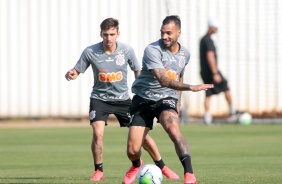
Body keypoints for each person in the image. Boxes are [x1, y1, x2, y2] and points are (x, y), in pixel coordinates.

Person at [65, 18, 179, 181]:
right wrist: (71, 74)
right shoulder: (90, 51)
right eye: (105, 35)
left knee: (142, 137)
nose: (109, 38)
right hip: (99, 99)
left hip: (123, 99)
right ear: (101, 34)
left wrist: (143, 92)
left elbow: (138, 70)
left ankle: (163, 166)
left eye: (112, 34)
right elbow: (77, 70)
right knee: (98, 134)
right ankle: (99, 171)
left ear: (118, 34)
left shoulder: (127, 50)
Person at [123, 15, 213, 184]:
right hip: (144, 98)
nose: (165, 36)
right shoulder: (152, 50)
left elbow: (179, 74)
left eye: (169, 33)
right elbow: (163, 80)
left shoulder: (185, 54)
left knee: (173, 128)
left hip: (167, 98)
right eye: (162, 33)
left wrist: (178, 101)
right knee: (133, 150)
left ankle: (190, 175)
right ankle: (136, 164)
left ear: (179, 32)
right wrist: (190, 87)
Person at [199, 19, 240, 125]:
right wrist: (215, 73)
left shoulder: (203, 39)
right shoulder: (208, 40)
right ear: (210, 27)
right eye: (215, 27)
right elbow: (210, 56)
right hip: (211, 72)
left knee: (208, 92)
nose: (216, 29)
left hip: (204, 72)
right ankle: (232, 111)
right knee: (225, 85)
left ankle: (207, 117)